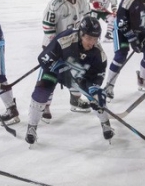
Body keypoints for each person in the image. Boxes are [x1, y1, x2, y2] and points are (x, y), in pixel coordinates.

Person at [24, 16, 113, 145]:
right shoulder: (64, 39)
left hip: (79, 74)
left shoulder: (99, 54)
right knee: (42, 90)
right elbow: (43, 58)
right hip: (55, 70)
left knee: (97, 96)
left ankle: (106, 123)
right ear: (81, 34)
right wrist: (58, 68)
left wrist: (94, 91)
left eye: (95, 39)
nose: (91, 43)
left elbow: (97, 76)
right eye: (88, 38)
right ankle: (32, 126)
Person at [40, 0, 92, 118]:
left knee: (77, 72)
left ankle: (75, 100)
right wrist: (54, 49)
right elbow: (48, 27)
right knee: (49, 76)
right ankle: (44, 105)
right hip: (54, 45)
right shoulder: (56, 4)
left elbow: (88, 20)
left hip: (73, 44)